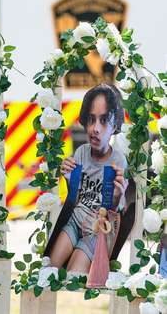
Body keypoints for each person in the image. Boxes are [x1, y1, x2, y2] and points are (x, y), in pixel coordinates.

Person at [44, 83, 128, 274]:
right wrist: (67, 178)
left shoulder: (118, 160)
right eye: (90, 120)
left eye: (103, 120)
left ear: (114, 125)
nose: (95, 128)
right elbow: (75, 198)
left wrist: (117, 196)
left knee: (74, 274)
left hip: (97, 230)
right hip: (75, 221)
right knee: (49, 269)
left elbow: (117, 210)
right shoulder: (81, 152)